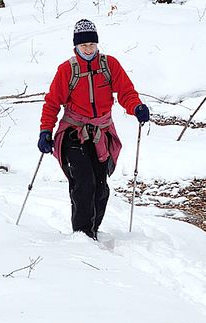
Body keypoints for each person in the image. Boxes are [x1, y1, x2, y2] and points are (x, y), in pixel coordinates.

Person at [38, 19, 150, 239]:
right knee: (84, 182)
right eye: (83, 45)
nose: (88, 49)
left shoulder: (109, 65)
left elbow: (126, 92)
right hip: (73, 132)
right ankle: (82, 236)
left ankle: (93, 231)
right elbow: (52, 103)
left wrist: (136, 107)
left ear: (97, 44)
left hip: (101, 133)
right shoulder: (67, 70)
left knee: (101, 188)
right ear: (76, 47)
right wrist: (45, 131)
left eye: (91, 44)